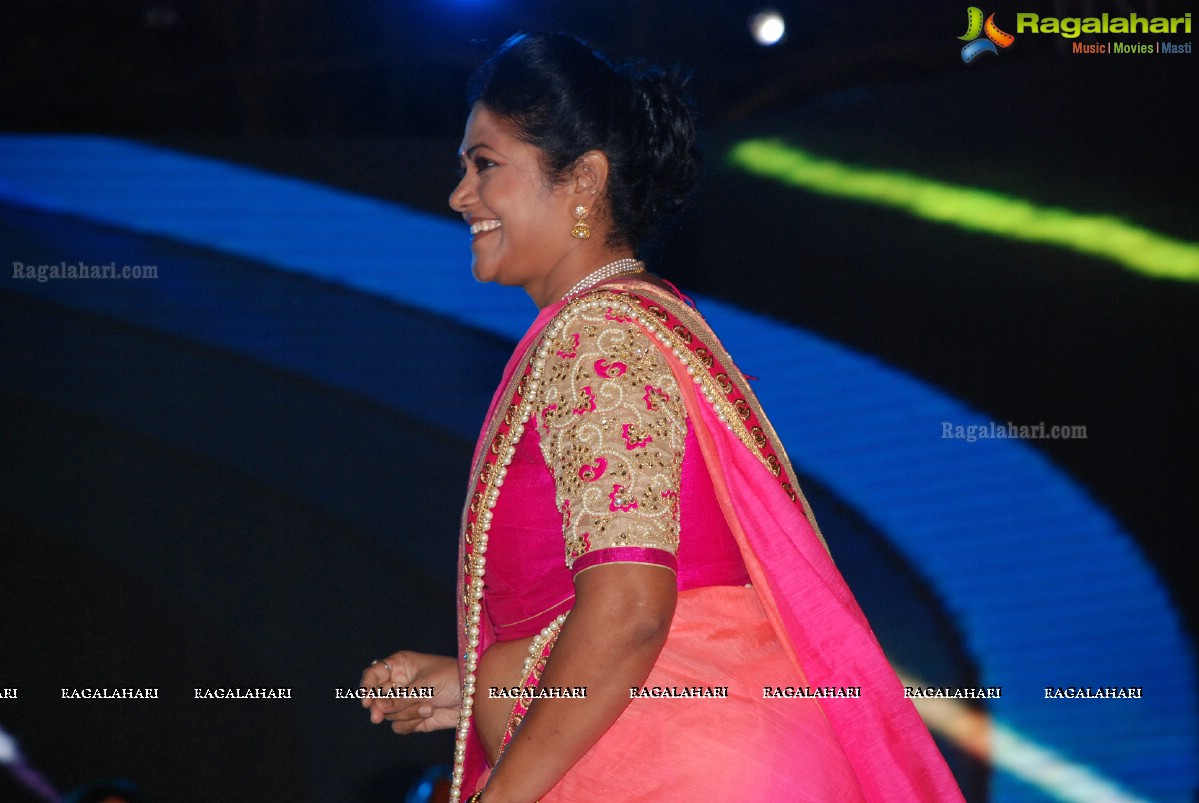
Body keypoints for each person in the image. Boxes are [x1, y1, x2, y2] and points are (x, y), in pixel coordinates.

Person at [360, 32, 964, 803]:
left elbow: (630, 610)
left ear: (581, 180)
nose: (459, 194)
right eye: (462, 167)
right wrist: (474, 685)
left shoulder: (598, 337)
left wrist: (497, 796)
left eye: (485, 165)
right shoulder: (632, 319)